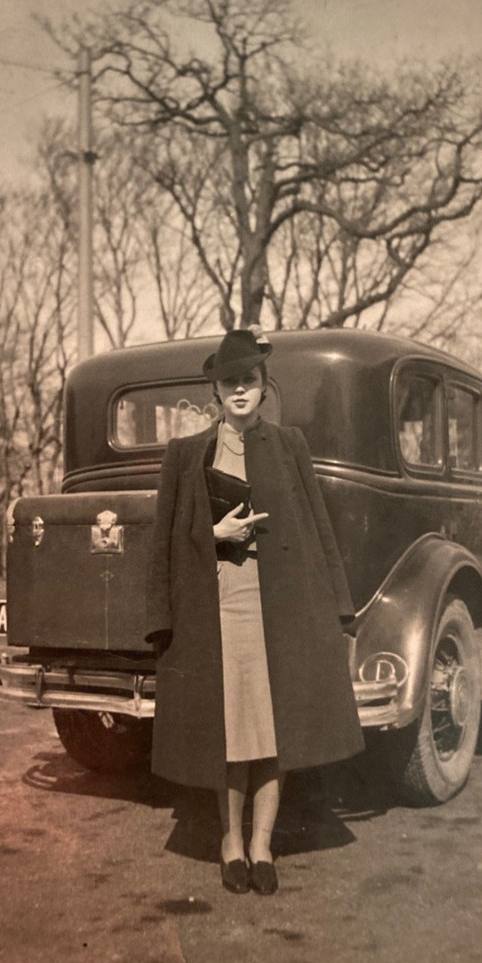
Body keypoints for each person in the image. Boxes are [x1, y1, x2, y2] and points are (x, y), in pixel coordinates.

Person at [146, 327, 363, 896]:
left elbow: (317, 528)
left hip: (283, 611)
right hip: (221, 607)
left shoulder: (289, 446)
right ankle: (230, 842)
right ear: (214, 391)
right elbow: (164, 544)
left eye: (249, 379)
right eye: (229, 381)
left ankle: (262, 845)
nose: (239, 389)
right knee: (233, 731)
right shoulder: (186, 454)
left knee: (273, 732)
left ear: (264, 387)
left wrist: (339, 607)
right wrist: (212, 533)